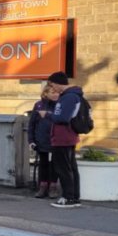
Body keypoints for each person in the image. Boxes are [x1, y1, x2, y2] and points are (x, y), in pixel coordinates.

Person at [44, 71, 84, 208]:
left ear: (57, 83)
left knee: (64, 169)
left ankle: (68, 198)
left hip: (63, 138)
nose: (52, 88)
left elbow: (62, 118)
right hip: (68, 137)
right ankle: (74, 197)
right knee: (71, 168)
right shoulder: (70, 96)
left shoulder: (69, 97)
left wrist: (48, 115)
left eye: (52, 85)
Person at [27, 83, 59, 198]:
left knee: (55, 165)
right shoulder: (39, 105)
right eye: (53, 92)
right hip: (41, 140)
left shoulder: (59, 105)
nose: (56, 94)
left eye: (57, 92)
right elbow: (32, 125)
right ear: (46, 93)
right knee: (43, 164)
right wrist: (31, 140)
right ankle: (43, 187)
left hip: (56, 141)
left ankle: (53, 187)